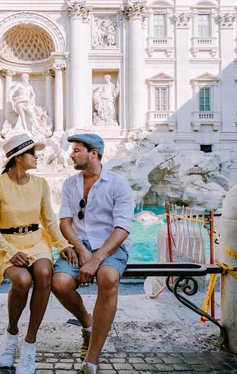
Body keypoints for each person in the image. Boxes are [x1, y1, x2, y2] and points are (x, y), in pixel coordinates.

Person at [0, 133, 76, 374]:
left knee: (45, 273)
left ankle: (30, 342)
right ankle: (12, 332)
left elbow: (49, 219)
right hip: (6, 244)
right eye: (32, 153)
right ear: (18, 157)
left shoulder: (40, 184)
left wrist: (62, 244)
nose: (37, 157)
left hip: (36, 241)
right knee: (22, 281)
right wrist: (11, 251)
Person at [52, 133, 135, 374]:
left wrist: (96, 258)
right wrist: (83, 252)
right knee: (60, 283)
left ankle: (91, 359)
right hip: (81, 245)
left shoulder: (118, 184)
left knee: (108, 278)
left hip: (110, 246)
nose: (71, 154)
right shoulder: (70, 184)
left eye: (77, 150)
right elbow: (65, 223)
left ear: (93, 153)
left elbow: (123, 228)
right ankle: (88, 324)